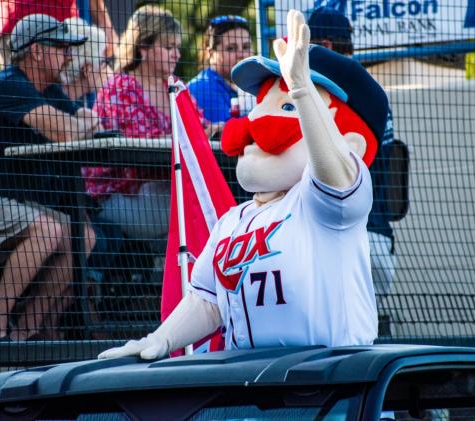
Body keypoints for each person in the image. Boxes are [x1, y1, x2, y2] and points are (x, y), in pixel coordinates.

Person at [98, 10, 388, 360]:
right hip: (251, 388)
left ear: (352, 143)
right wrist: (161, 339)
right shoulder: (234, 220)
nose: (257, 120)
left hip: (333, 387)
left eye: (283, 106)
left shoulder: (327, 206)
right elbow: (208, 300)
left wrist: (302, 90)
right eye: (264, 103)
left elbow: (335, 169)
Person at [0, 14, 99, 343]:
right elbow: (71, 131)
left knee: (84, 236)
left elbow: (86, 120)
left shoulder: (49, 90)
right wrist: (80, 123)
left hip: (0, 199)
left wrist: (81, 120)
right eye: (61, 47)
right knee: (49, 230)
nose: (69, 54)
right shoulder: (7, 82)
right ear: (37, 51)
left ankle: (26, 329)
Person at [83, 5, 207, 251]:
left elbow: (198, 127)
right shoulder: (120, 86)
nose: (176, 55)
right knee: (205, 207)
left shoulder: (176, 86)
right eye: (168, 47)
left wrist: (212, 130)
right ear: (143, 48)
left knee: (211, 200)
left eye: (177, 48)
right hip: (121, 195)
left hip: (164, 190)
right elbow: (139, 144)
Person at [309, 5, 397, 296]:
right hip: (380, 242)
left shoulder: (325, 94)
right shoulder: (373, 92)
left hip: (343, 241)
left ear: (324, 47)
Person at [0, 0, 118, 68]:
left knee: (64, 100)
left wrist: (105, 24)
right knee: (17, 93)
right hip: (17, 27)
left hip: (65, 30)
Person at [188, 15, 254, 124]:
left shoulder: (253, 85)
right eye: (231, 48)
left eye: (246, 47)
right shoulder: (202, 88)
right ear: (211, 54)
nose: (241, 55)